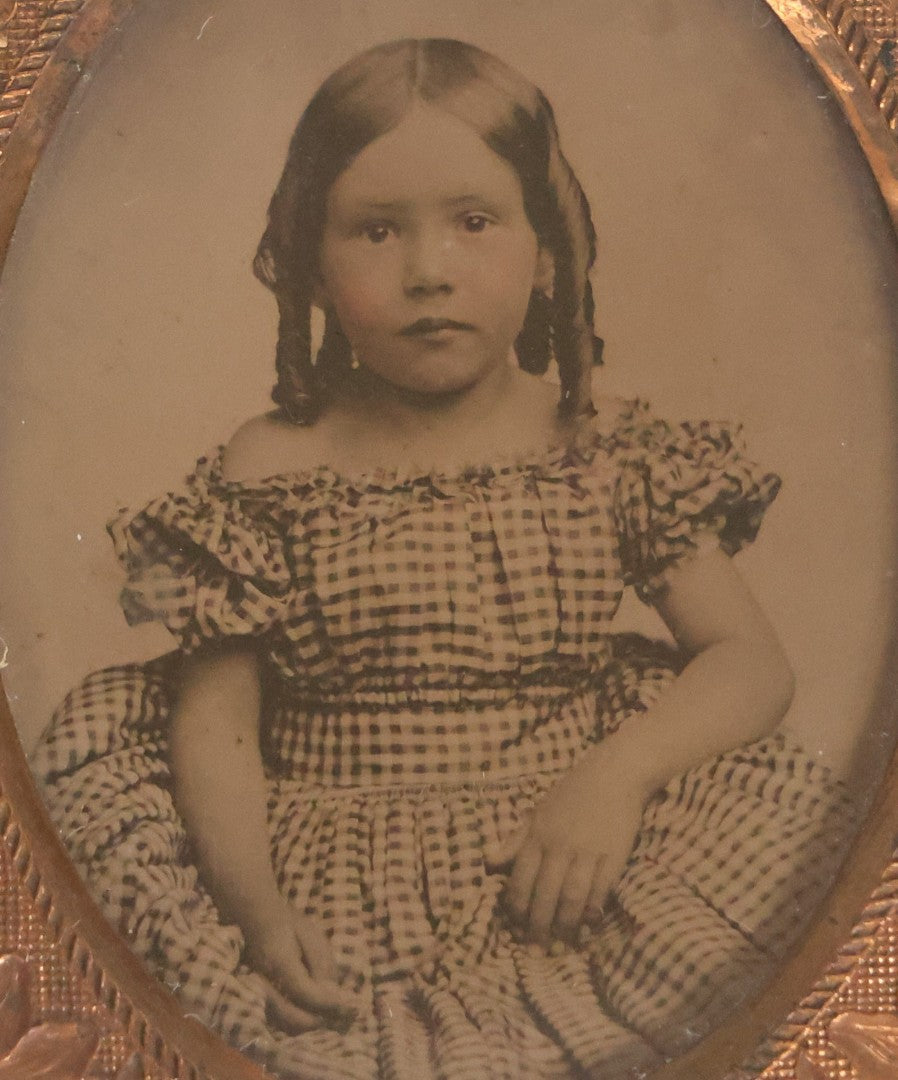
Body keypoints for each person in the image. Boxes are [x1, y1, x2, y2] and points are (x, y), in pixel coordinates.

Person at [32, 38, 858, 1080]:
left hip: (564, 854)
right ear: (310, 261)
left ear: (545, 248)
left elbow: (750, 662)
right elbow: (217, 725)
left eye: (474, 222)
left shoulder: (600, 453)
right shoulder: (274, 466)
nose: (429, 271)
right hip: (321, 867)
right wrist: (255, 908)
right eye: (376, 230)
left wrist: (612, 780)